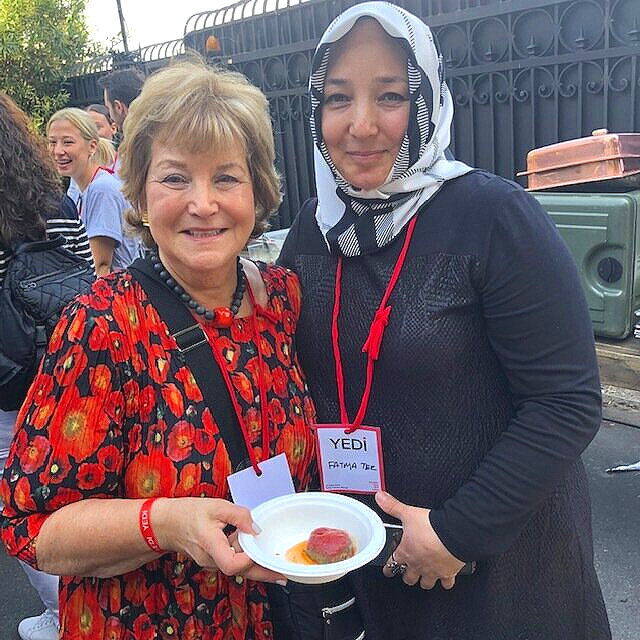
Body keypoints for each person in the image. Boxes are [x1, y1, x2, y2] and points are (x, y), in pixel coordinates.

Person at [277, 3, 611, 639]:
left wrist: (460, 532)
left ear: (427, 99)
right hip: (370, 557)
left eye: (392, 96)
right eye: (339, 98)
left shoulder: (494, 218)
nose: (362, 124)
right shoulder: (313, 232)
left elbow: (566, 402)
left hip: (497, 570)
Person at [1, 58, 317, 640]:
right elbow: (34, 525)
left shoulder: (281, 301)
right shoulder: (102, 327)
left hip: (275, 616)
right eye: (175, 178)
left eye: (226, 177)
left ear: (259, 191)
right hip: (147, 623)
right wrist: (166, 523)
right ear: (141, 195)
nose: (204, 202)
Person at [0, 92, 94, 640]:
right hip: (67, 371)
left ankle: (66, 614)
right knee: (73, 491)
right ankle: (90, 606)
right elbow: (86, 278)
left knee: (17, 504)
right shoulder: (56, 203)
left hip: (9, 387)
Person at [47, 108, 142, 275]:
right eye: (52, 142)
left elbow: (100, 267)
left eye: (68, 142)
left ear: (92, 146)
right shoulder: (77, 188)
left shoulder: (102, 189)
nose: (58, 151)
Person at [98, 66, 145, 135]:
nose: (110, 118)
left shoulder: (134, 142)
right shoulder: (161, 130)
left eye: (109, 108)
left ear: (118, 107)